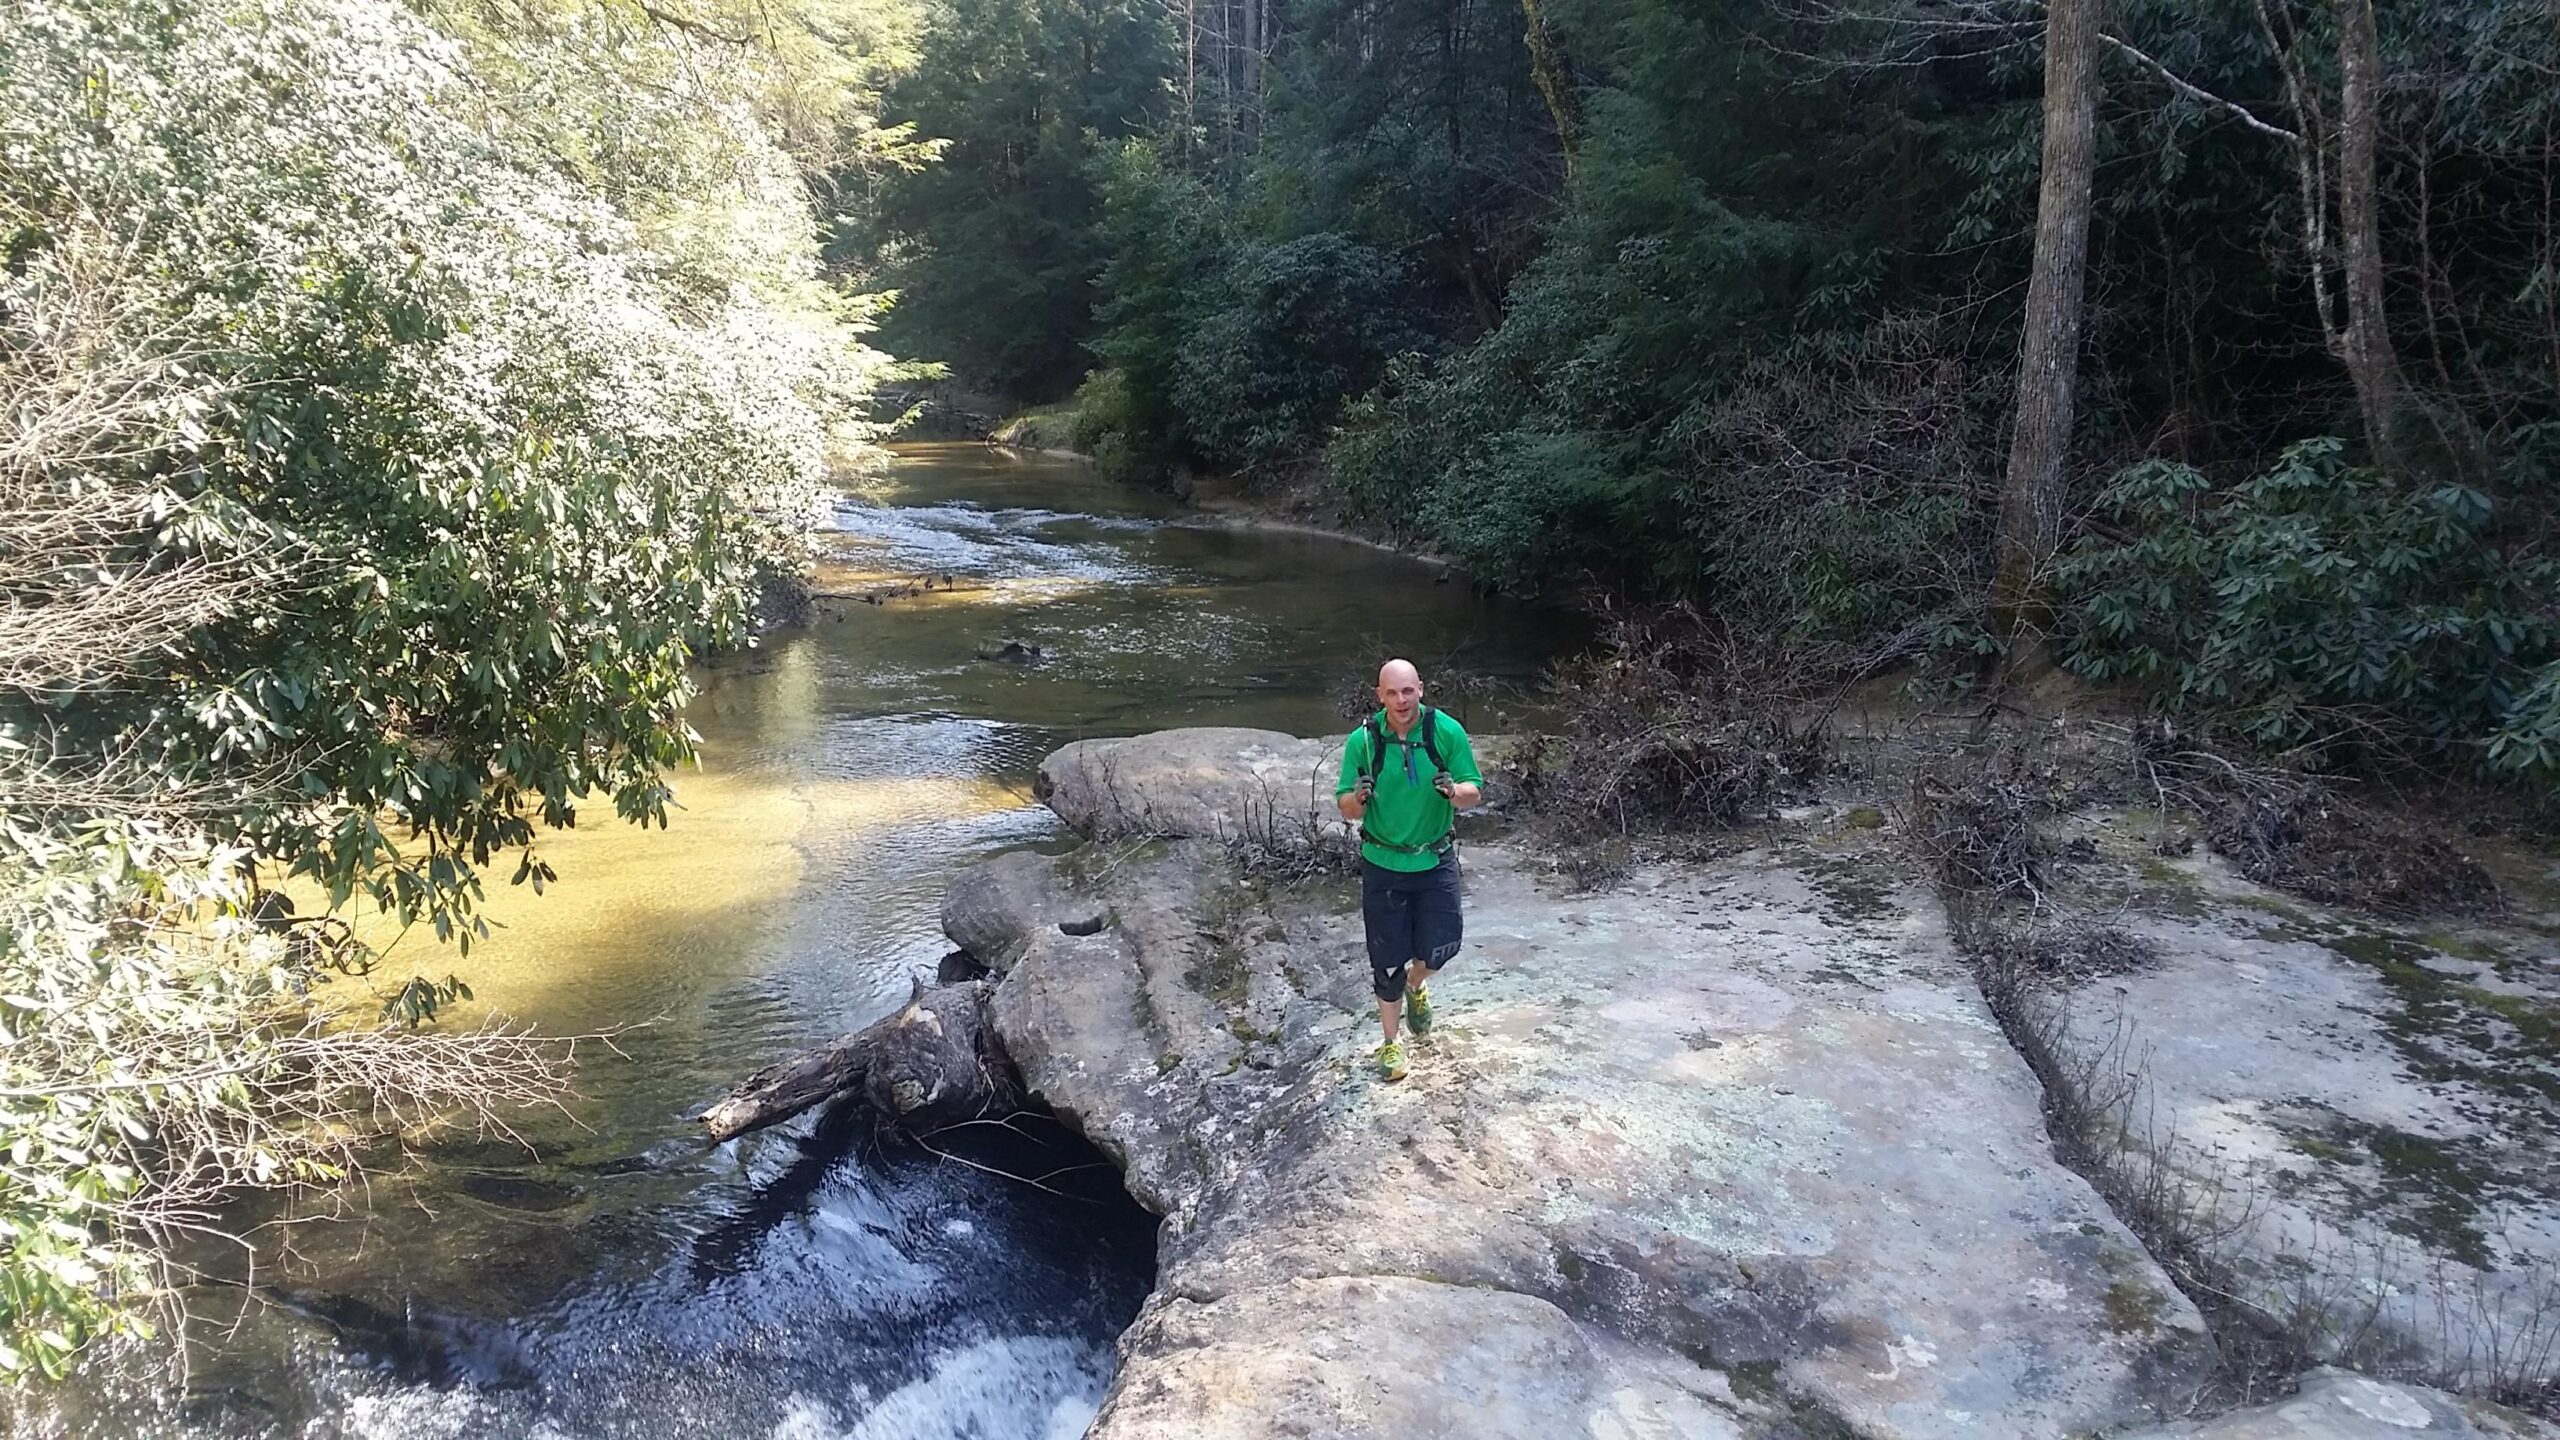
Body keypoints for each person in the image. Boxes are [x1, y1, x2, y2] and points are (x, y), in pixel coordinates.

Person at [1335, 658, 1483, 1081]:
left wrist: (1454, 791)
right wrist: (1358, 799)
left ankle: (1417, 984)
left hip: (1434, 860)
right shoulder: (1364, 741)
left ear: (1421, 689)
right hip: (1383, 864)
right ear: (1379, 695)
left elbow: (1474, 789)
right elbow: (1344, 805)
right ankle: (1391, 1043)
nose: (1401, 701)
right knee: (1385, 962)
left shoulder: (1445, 733)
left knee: (1443, 946)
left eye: (1408, 691)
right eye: (1392, 693)